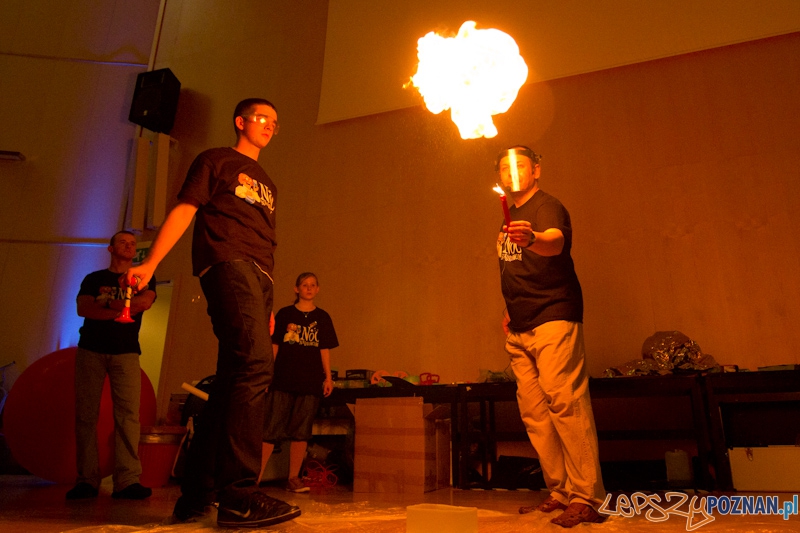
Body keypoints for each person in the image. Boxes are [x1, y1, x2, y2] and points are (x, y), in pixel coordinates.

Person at [125, 98, 300, 528]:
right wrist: (150, 263)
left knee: (231, 383)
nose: (268, 126)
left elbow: (266, 245)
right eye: (261, 118)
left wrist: (269, 306)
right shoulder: (216, 160)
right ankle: (239, 496)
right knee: (257, 368)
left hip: (259, 278)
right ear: (240, 121)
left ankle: (196, 495)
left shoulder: (269, 185)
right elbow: (186, 209)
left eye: (275, 123)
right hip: (227, 263)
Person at [495, 146, 606, 528]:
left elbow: (554, 242)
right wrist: (510, 308)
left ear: (536, 170)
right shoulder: (508, 215)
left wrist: (534, 239)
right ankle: (560, 490)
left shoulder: (547, 206)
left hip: (554, 317)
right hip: (520, 326)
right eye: (505, 168)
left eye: (520, 165)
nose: (512, 173)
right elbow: (514, 267)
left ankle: (588, 496)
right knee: (535, 413)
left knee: (565, 403)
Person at [67, 230, 156, 501]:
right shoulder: (94, 278)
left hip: (127, 352)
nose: (128, 246)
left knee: (129, 417)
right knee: (85, 415)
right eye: (123, 242)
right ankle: (87, 480)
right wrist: (123, 308)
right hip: (91, 350)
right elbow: (84, 309)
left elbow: (143, 303)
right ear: (111, 248)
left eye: (132, 243)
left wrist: (105, 302)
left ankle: (127, 480)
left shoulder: (142, 279)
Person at [258, 272, 338, 492]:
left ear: (317, 289)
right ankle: (253, 479)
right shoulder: (285, 314)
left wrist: (328, 378)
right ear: (297, 289)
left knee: (301, 431)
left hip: (310, 380)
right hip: (282, 379)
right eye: (305, 285)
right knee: (270, 429)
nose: (309, 288)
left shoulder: (322, 318)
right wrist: (267, 374)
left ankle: (294, 478)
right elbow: (274, 346)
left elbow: (325, 349)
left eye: (313, 284)